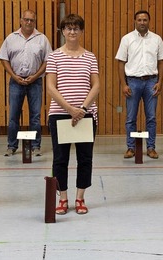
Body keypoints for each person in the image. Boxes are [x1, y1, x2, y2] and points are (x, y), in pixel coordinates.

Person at [46, 14, 100, 215]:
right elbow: (51, 87)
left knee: (85, 158)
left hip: (85, 116)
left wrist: (83, 109)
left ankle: (80, 198)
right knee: (60, 159)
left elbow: (96, 86)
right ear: (62, 32)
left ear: (81, 31)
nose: (72, 32)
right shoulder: (54, 56)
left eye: (76, 28)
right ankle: (63, 198)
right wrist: (69, 109)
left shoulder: (90, 57)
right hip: (60, 115)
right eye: (68, 28)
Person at [0, 10, 52, 157]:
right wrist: (13, 76)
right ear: (21, 20)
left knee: (35, 116)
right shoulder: (11, 38)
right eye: (26, 19)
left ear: (35, 22)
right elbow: (3, 57)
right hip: (16, 81)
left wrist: (35, 76)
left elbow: (48, 60)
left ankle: (36, 146)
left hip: (35, 82)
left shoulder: (42, 39)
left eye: (32, 20)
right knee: (14, 115)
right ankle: (12, 146)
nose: (29, 22)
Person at [115, 10, 163, 159]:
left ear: (149, 21)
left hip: (151, 81)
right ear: (134, 21)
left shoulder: (157, 39)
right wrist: (123, 84)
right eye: (139, 20)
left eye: (145, 20)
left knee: (151, 117)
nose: (142, 22)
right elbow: (120, 63)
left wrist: (160, 82)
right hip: (132, 81)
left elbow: (162, 62)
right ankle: (131, 148)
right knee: (131, 117)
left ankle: (151, 148)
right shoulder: (127, 39)